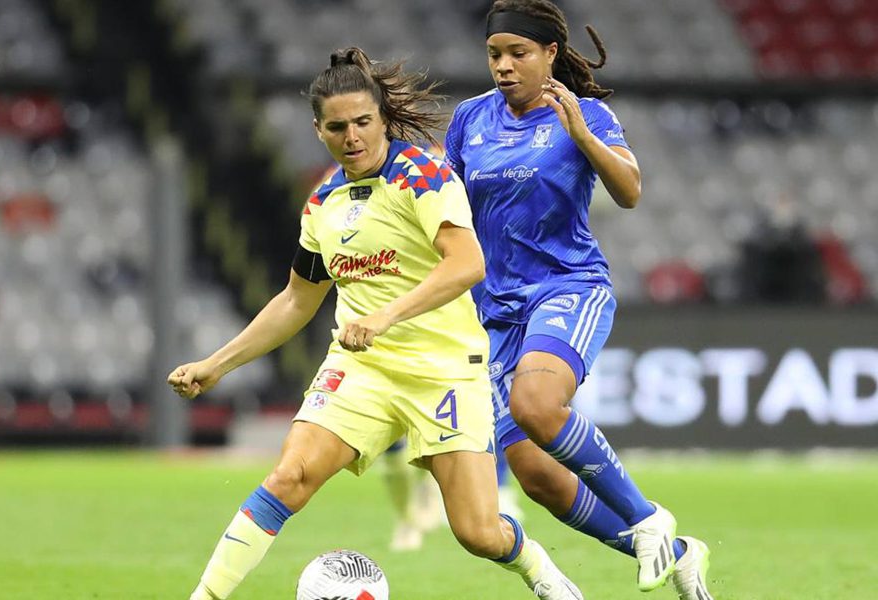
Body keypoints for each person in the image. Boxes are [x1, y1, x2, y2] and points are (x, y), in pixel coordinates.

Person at [168, 47, 582, 600]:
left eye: (363, 122)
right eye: (337, 127)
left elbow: (468, 263)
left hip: (444, 371)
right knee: (289, 478)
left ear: (382, 118)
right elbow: (296, 300)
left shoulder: (425, 178)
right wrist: (215, 364)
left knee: (478, 533)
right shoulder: (322, 202)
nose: (352, 136)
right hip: (361, 370)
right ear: (318, 131)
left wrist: (386, 315)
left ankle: (539, 570)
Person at [444, 2, 715, 599]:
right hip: (494, 311)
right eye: (495, 54)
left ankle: (647, 518)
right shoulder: (469, 120)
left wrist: (582, 135)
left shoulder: (585, 112)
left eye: (519, 54)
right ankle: (675, 553)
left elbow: (630, 191)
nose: (504, 66)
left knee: (538, 405)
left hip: (566, 287)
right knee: (535, 475)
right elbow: (446, 209)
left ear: (549, 55)